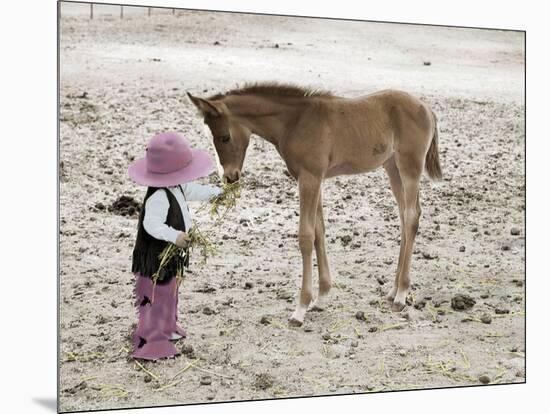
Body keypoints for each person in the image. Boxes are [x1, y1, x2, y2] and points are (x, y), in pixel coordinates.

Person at [127, 131, 221, 360]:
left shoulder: (176, 186)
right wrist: (175, 236)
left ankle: (169, 326)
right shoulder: (158, 196)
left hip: (171, 254)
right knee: (157, 293)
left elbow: (193, 190)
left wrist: (217, 194)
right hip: (158, 256)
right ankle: (153, 342)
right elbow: (151, 225)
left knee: (171, 290)